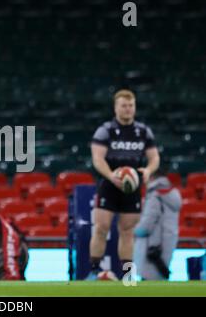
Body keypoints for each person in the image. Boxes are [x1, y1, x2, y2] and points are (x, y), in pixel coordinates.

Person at [87, 89, 160, 280]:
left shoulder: (143, 131)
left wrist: (148, 171)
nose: (128, 109)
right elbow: (97, 159)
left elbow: (154, 158)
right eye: (124, 106)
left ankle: (128, 276)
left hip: (132, 187)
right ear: (116, 107)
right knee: (101, 227)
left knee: (128, 232)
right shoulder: (106, 130)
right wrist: (111, 175)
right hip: (109, 185)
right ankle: (94, 272)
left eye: (131, 106)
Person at [133, 169, 182, 280]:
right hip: (168, 239)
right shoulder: (173, 193)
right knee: (161, 275)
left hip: (152, 243)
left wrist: (135, 231)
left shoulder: (155, 194)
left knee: (149, 278)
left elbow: (148, 222)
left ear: (152, 177)